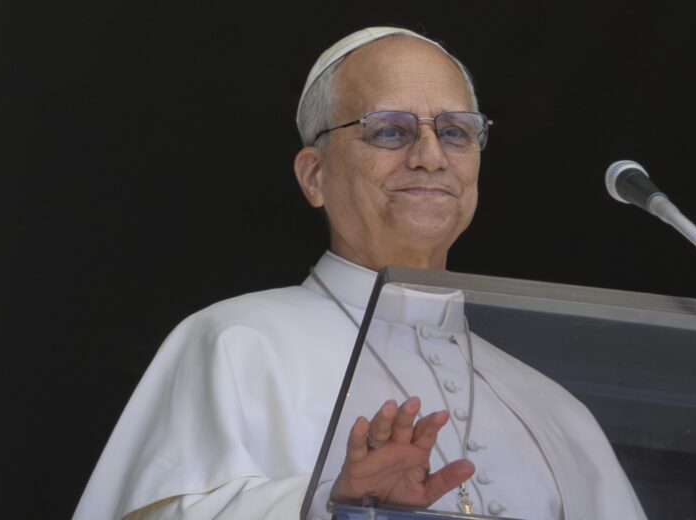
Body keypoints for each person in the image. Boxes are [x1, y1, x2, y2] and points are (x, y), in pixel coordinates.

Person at [73, 27, 647, 520]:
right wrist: (331, 503)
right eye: (390, 130)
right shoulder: (234, 342)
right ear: (314, 176)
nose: (430, 156)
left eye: (455, 132)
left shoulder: (553, 407)